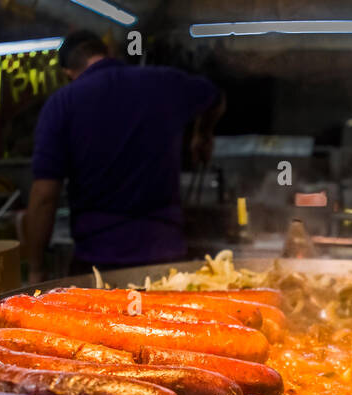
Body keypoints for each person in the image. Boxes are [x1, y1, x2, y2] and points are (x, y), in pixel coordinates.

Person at [24, 30, 224, 281]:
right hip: (166, 261)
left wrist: (35, 268)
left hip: (99, 265)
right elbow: (215, 97)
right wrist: (203, 135)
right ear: (108, 53)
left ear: (67, 72)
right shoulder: (164, 81)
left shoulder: (61, 103)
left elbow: (44, 197)